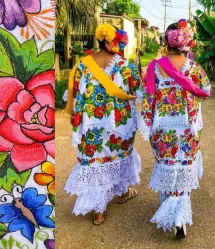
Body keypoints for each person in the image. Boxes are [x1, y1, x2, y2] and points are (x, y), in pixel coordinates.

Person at [138, 19, 211, 239]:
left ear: (166, 42)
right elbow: (205, 90)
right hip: (188, 129)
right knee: (184, 167)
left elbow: (146, 96)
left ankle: (170, 209)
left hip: (162, 130)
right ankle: (180, 216)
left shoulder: (153, 67)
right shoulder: (194, 68)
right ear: (185, 44)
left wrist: (147, 122)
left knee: (167, 166)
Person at [64, 24, 142, 225]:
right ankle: (122, 192)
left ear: (99, 40)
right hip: (119, 125)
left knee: (96, 160)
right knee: (118, 158)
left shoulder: (81, 65)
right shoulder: (127, 66)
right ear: (116, 42)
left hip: (91, 126)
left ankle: (99, 211)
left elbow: (72, 95)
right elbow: (137, 91)